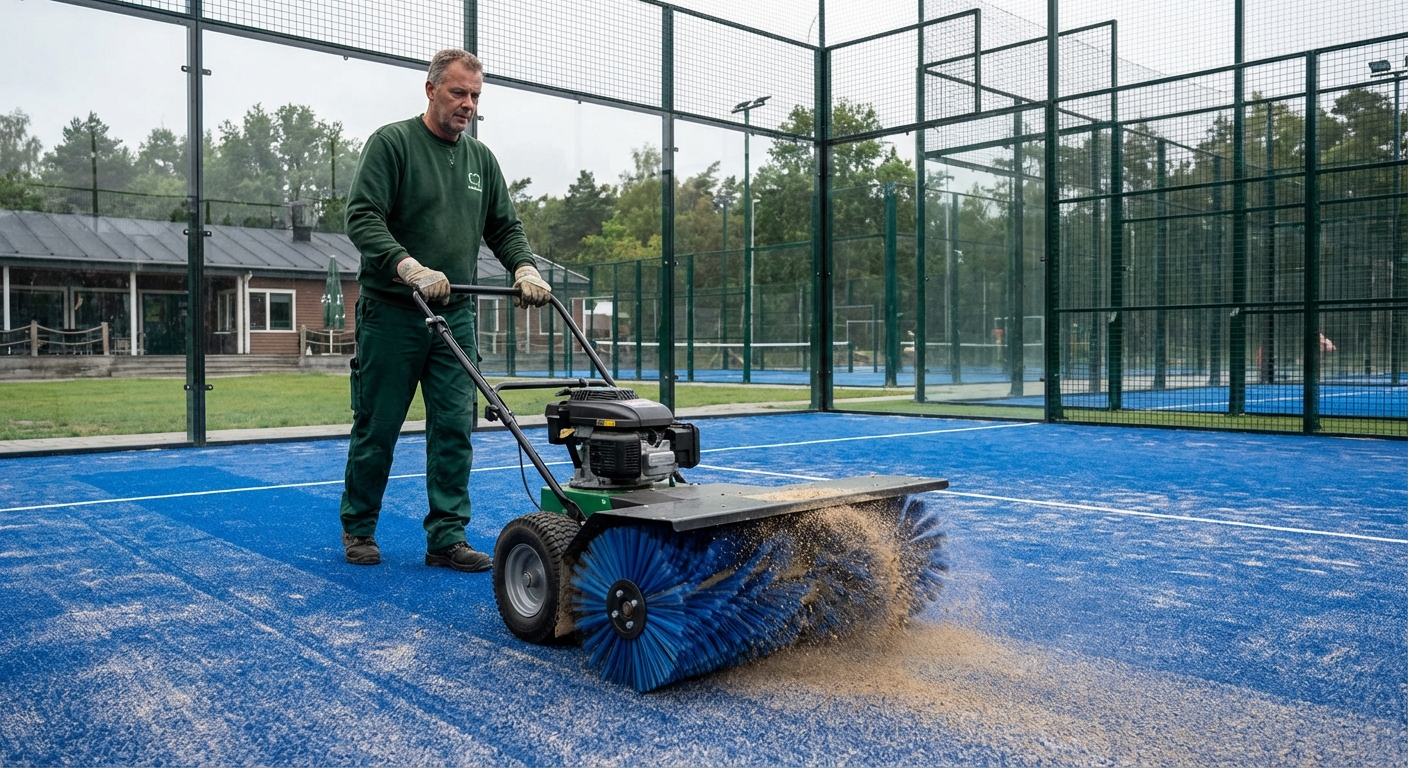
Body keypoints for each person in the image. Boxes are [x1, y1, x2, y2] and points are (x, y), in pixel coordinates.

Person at [338, 48, 552, 572]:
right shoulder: (393, 144)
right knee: (378, 424)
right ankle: (359, 528)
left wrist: (523, 267)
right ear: (430, 89)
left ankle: (447, 538)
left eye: (475, 96)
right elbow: (362, 217)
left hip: (453, 314)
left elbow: (504, 228)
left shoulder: (481, 161)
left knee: (455, 425)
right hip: (393, 312)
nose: (468, 104)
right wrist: (407, 266)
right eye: (458, 92)